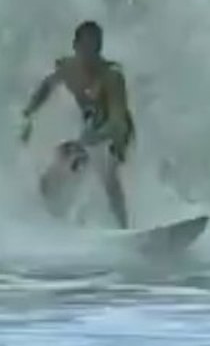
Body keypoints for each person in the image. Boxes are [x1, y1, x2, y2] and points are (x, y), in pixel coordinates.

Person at [20, 20, 135, 228]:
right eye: (86, 48)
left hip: (117, 130)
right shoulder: (68, 69)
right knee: (57, 170)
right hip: (90, 128)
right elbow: (46, 87)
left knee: (107, 171)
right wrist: (28, 114)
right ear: (76, 46)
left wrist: (95, 138)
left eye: (96, 48)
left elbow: (118, 122)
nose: (91, 54)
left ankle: (124, 228)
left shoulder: (112, 77)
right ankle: (49, 219)